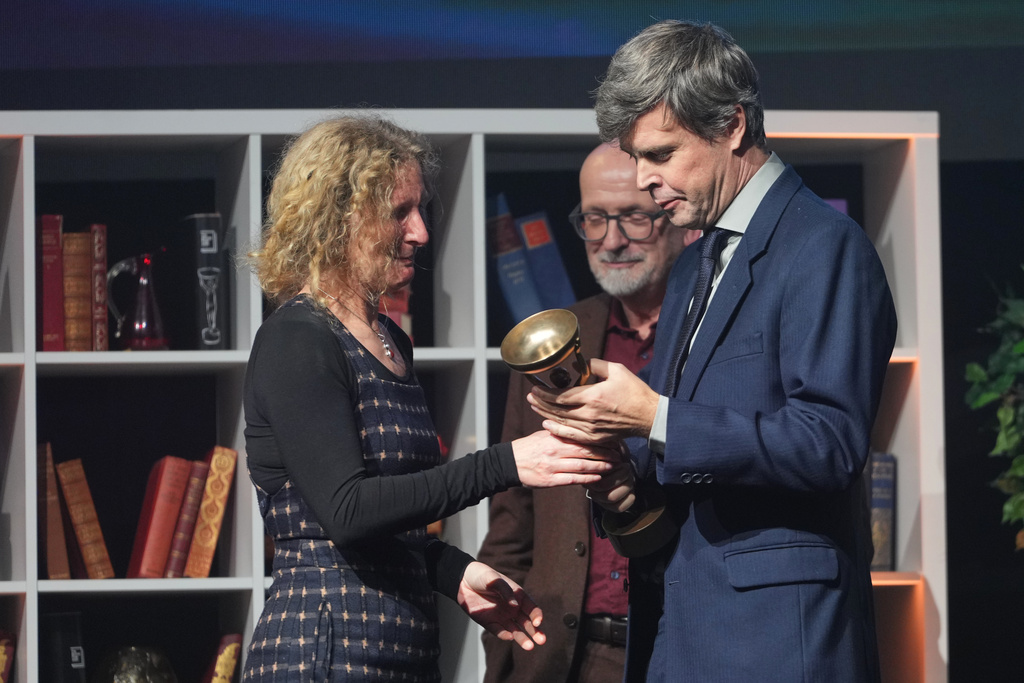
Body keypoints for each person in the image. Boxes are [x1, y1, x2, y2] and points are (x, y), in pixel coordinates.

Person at [527, 20, 897, 683]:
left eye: (661, 155)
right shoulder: (696, 264)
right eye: (636, 158)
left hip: (781, 641)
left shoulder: (822, 246)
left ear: (731, 125)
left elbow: (830, 443)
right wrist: (618, 474)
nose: (644, 181)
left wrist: (654, 417)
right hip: (682, 633)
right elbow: (685, 471)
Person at [240, 114, 620, 682]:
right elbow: (346, 512)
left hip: (400, 644)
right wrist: (509, 461)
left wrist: (453, 573)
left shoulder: (390, 339)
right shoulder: (299, 338)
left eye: (421, 210)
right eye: (400, 212)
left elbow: (386, 523)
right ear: (339, 215)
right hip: (324, 648)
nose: (420, 231)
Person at [477, 142, 697, 683]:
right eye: (595, 218)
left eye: (633, 219)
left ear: (674, 216)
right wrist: (504, 656)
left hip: (682, 647)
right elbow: (512, 519)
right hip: (563, 657)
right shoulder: (549, 339)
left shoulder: (712, 333)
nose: (611, 240)